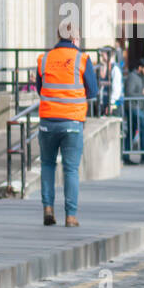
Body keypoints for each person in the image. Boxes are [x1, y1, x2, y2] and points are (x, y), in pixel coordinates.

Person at [36, 25, 98, 226]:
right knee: (70, 169)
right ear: (74, 39)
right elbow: (93, 90)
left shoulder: (44, 59)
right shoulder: (82, 59)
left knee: (47, 164)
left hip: (47, 121)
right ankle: (70, 216)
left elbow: (40, 88)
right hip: (72, 121)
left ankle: (48, 208)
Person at [123, 58, 144, 164]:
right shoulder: (132, 77)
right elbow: (129, 93)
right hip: (133, 108)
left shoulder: (142, 77)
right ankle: (143, 155)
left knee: (132, 131)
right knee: (141, 129)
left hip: (137, 107)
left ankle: (127, 156)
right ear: (140, 68)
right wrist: (142, 93)